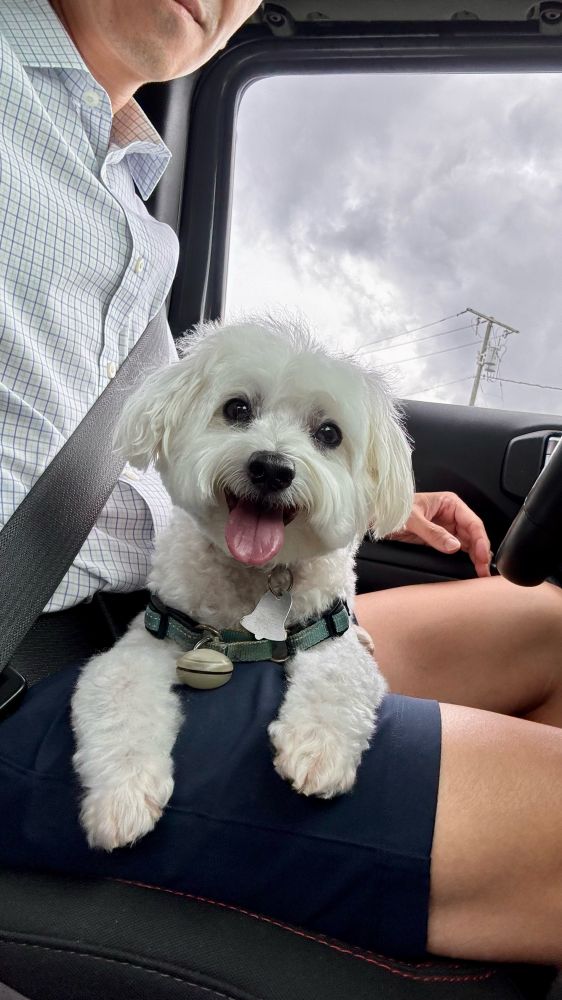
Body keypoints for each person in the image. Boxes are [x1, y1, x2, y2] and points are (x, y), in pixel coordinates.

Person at [0, 0, 561, 968]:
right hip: (28, 680)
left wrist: (373, 500)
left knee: (549, 622)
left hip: (163, 614)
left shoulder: (131, 202)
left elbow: (126, 449)